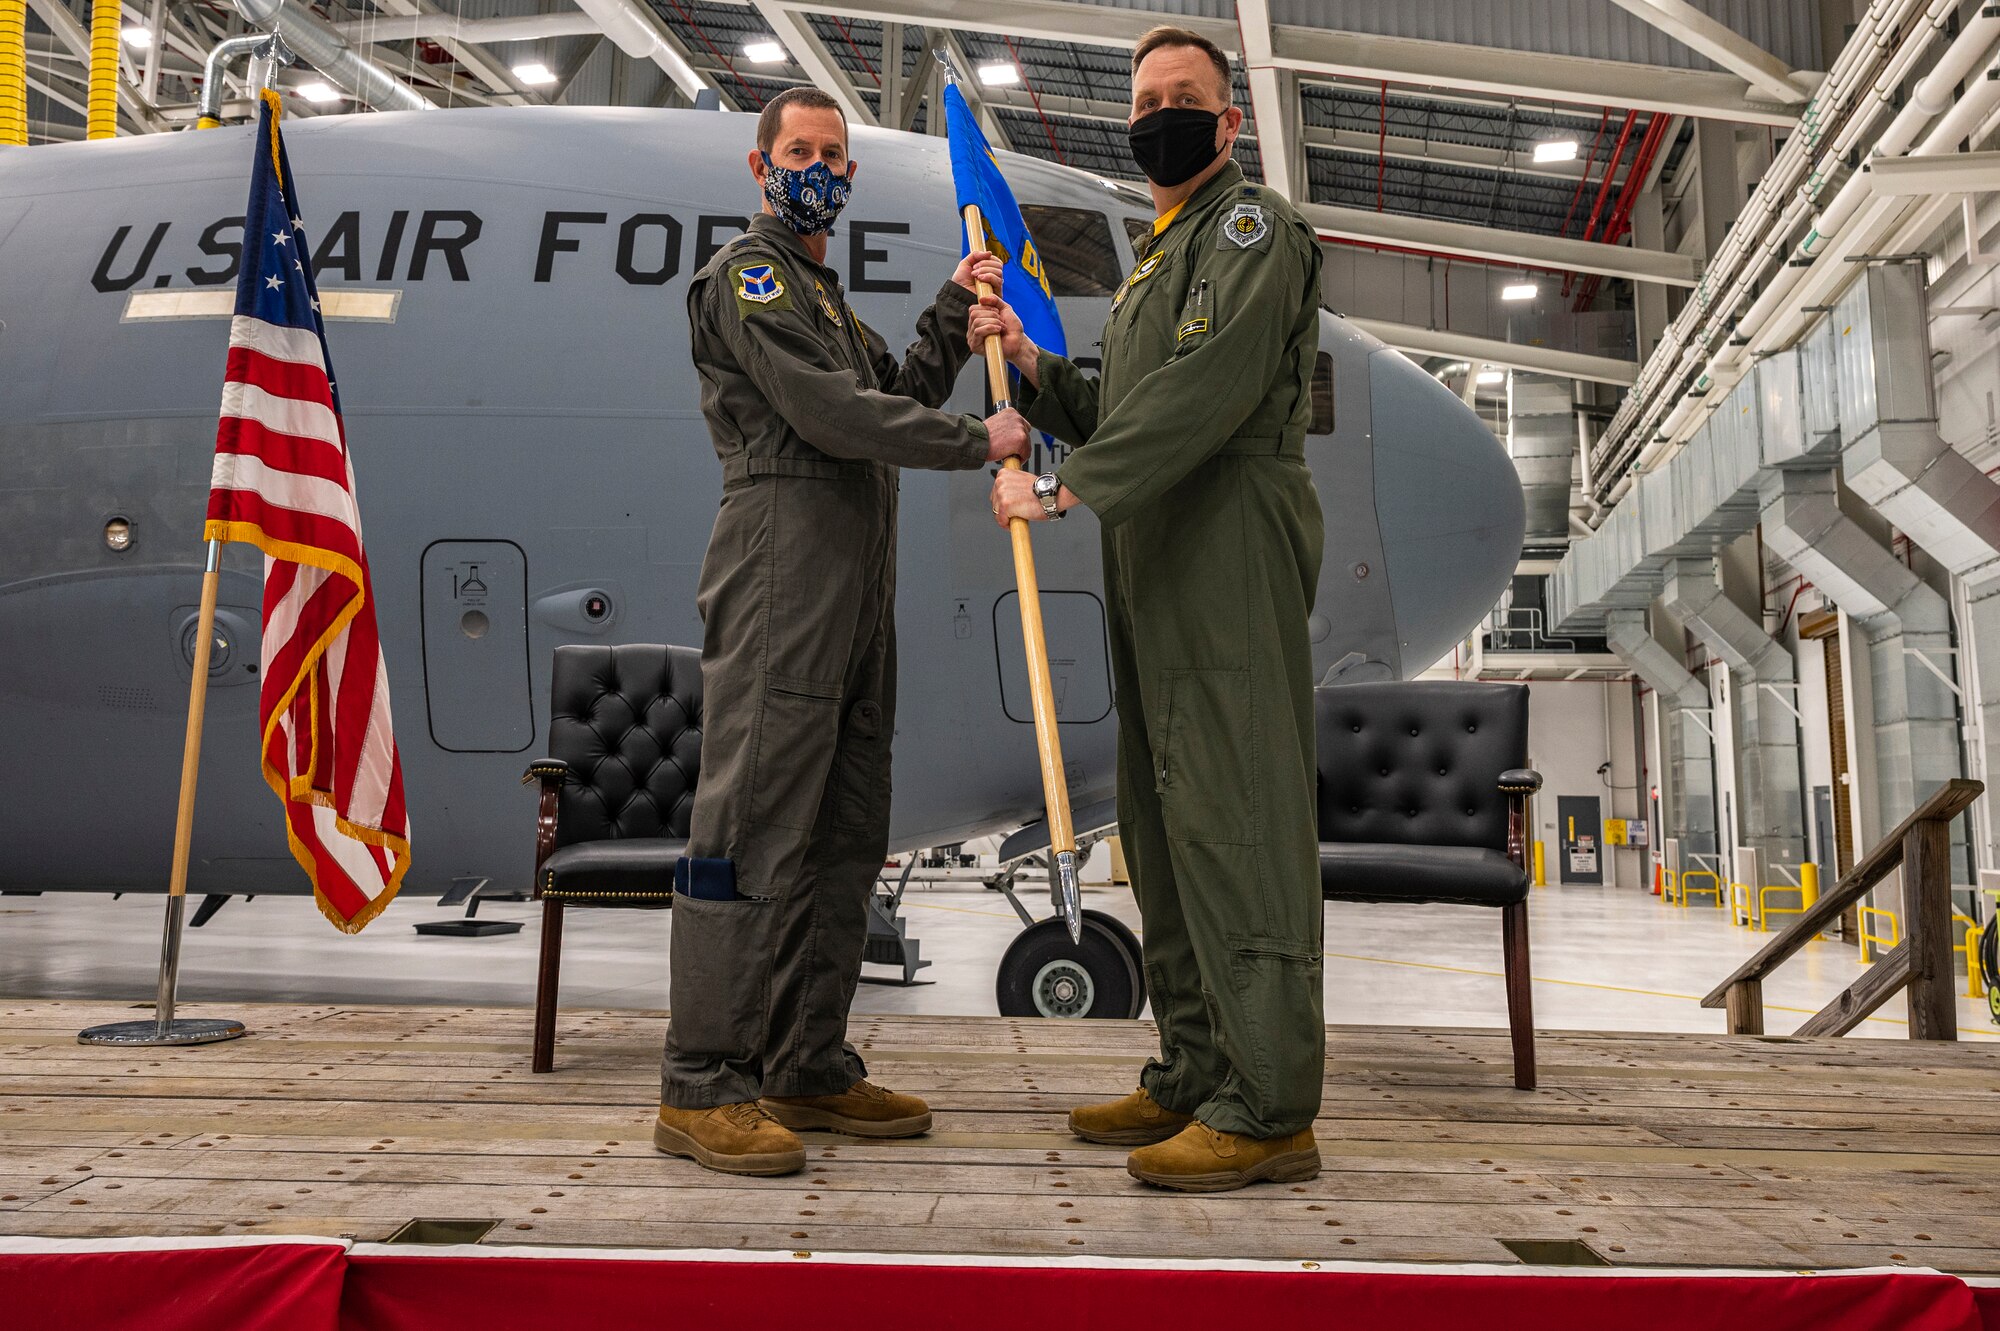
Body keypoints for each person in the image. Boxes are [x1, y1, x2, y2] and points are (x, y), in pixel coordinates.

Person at [970, 27, 1326, 1192]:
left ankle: (1267, 1102)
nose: (1159, 115)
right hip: (1156, 546)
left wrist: (1064, 486)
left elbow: (1201, 392)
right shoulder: (1158, 256)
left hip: (1223, 538)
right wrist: (1028, 360)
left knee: (1233, 813)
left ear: (1229, 124)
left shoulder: (1247, 232)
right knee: (1165, 824)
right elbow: (1119, 398)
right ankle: (1191, 1068)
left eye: (1185, 99)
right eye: (1145, 99)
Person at [658, 85, 1032, 1177]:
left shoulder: (824, 296)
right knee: (753, 824)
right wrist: (981, 440)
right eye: (799, 150)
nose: (817, 166)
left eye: (833, 152)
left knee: (841, 829)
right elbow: (833, 416)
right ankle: (701, 1079)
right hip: (781, 565)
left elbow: (890, 387)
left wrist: (947, 317)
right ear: (761, 165)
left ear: (849, 174)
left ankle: (803, 1061)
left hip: (854, 576)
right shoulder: (753, 278)